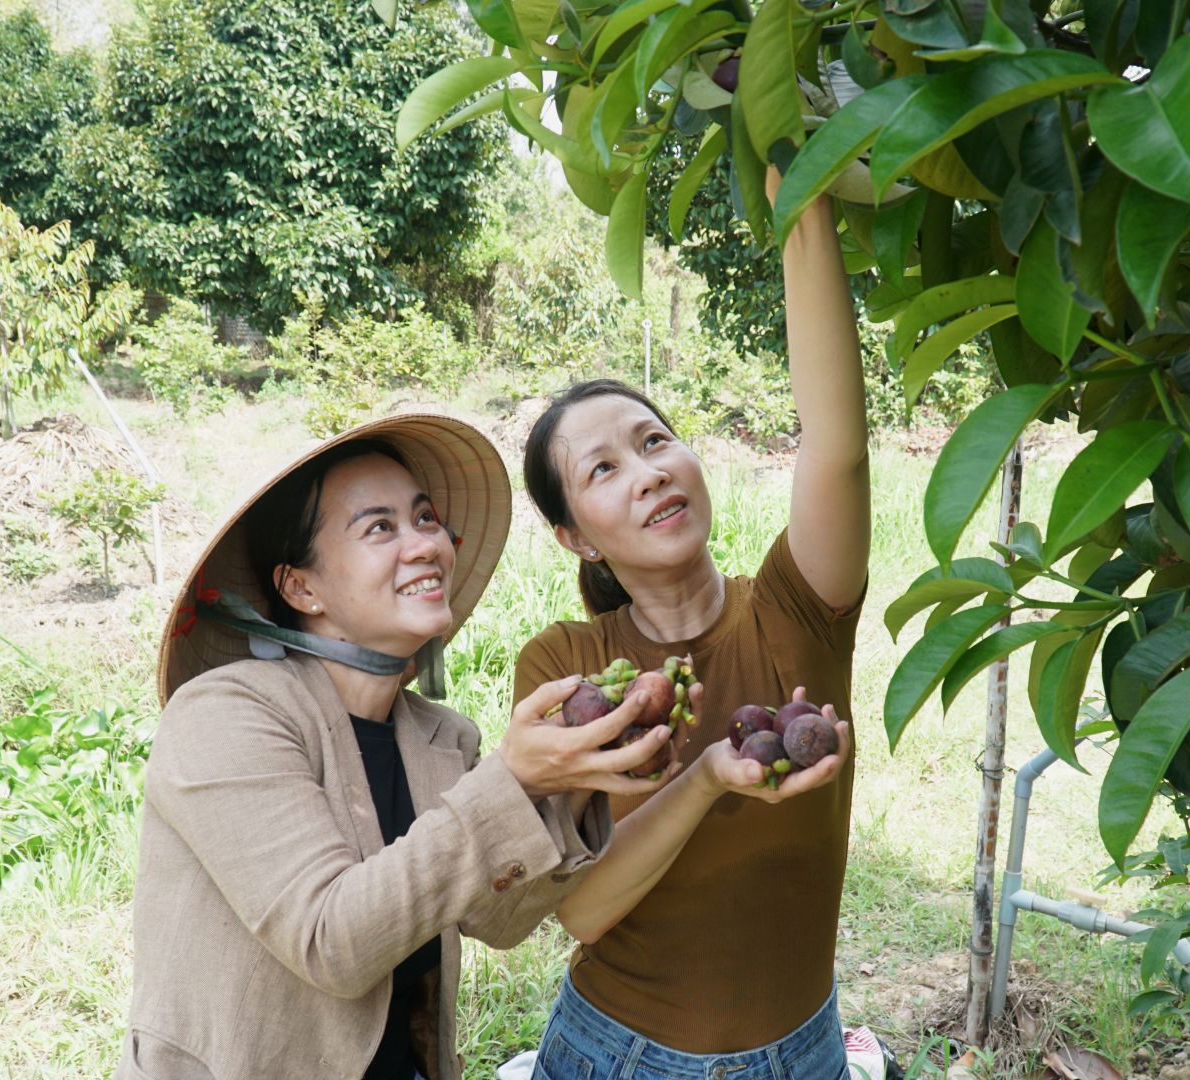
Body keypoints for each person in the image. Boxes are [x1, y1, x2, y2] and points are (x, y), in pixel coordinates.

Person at [120, 413, 677, 1080]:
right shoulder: (224, 717)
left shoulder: (441, 737)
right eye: (380, 527)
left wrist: (577, 779)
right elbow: (332, 943)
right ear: (301, 586)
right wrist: (514, 782)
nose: (426, 545)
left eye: (424, 519)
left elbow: (498, 919)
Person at [515, 184, 870, 1077]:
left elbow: (837, 444)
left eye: (656, 440)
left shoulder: (794, 606)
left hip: (807, 1052)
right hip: (621, 1056)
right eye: (604, 468)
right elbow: (584, 909)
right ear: (576, 536)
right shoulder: (567, 668)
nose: (648, 472)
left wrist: (804, 195)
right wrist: (709, 776)